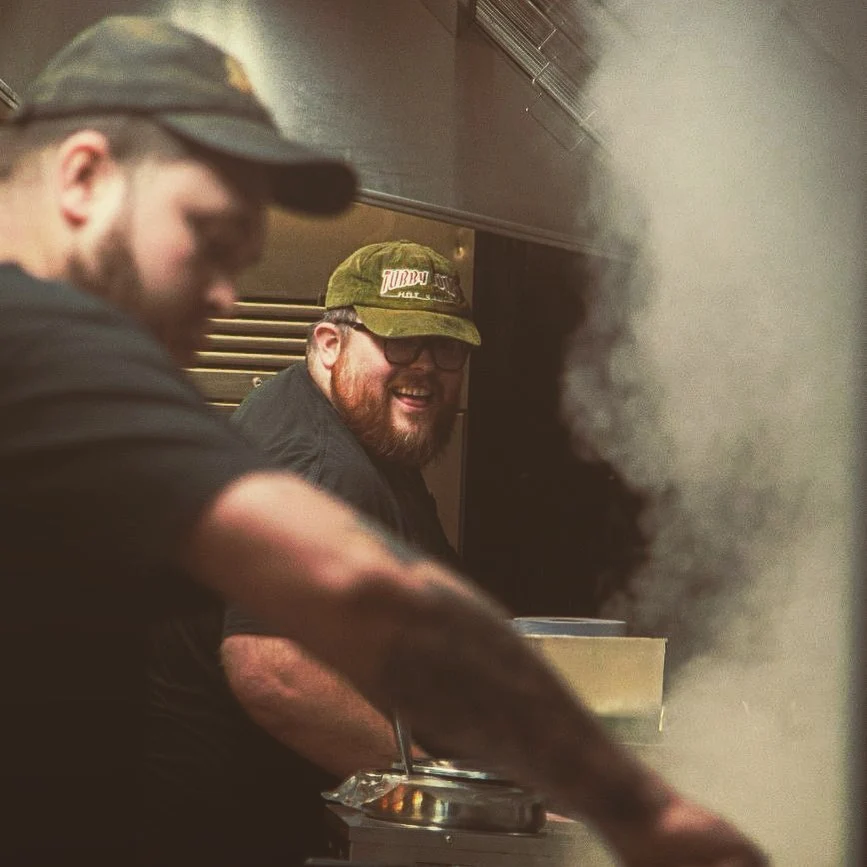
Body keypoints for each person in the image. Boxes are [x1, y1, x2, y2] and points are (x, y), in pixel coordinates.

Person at [0, 14, 769, 867]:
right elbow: (343, 590)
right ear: (84, 178)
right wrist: (631, 807)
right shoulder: (41, 349)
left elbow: (371, 597)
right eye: (209, 238)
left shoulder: (82, 387)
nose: (225, 296)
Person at [146, 241, 477, 865]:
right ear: (330, 343)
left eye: (448, 348)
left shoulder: (368, 434)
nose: (426, 367)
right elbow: (272, 672)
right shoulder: (320, 466)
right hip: (221, 832)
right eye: (400, 342)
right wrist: (435, 785)